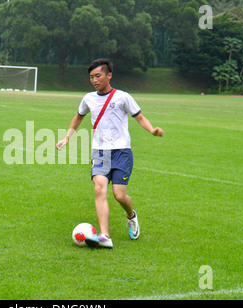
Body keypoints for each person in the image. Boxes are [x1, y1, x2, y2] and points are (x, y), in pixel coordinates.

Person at [56, 58, 164, 248]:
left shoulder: (123, 97)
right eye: (91, 77)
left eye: (98, 76)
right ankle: (105, 235)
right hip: (100, 152)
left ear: (109, 75)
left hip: (121, 151)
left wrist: (152, 130)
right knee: (99, 189)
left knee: (119, 196)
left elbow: (139, 117)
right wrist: (67, 138)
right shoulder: (88, 98)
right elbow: (78, 117)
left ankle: (131, 215)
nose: (94, 80)